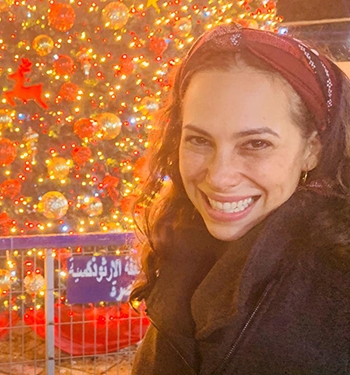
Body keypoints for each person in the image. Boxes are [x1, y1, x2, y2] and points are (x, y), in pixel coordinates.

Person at [130, 24, 350, 374]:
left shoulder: (336, 292)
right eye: (199, 140)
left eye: (256, 144)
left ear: (312, 150)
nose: (219, 176)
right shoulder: (182, 252)